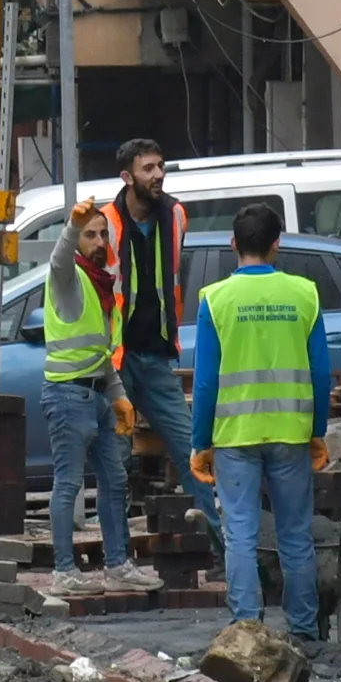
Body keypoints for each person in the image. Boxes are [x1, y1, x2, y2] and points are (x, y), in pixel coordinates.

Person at [184, 197, 329, 636]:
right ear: (276, 244)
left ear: (233, 244)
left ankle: (247, 630)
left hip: (235, 437)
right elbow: (320, 371)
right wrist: (317, 431)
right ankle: (304, 631)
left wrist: (200, 442)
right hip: (291, 433)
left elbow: (205, 381)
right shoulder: (304, 294)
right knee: (295, 536)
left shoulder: (216, 300)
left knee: (241, 536)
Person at [76, 141, 197, 558]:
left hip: (159, 356)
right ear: (127, 177)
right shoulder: (106, 222)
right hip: (119, 362)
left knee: (193, 454)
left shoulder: (176, 215)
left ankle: (223, 553)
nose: (159, 175)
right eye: (148, 168)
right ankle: (118, 557)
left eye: (161, 166)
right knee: (117, 465)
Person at [32, 193, 139, 569]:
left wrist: (119, 396)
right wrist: (71, 226)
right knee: (68, 485)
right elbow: (58, 258)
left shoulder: (102, 288)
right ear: (77, 239)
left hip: (96, 396)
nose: (98, 243)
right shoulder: (69, 277)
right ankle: (64, 570)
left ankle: (118, 565)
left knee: (115, 480)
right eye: (89, 235)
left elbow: (101, 354)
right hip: (67, 396)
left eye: (102, 235)